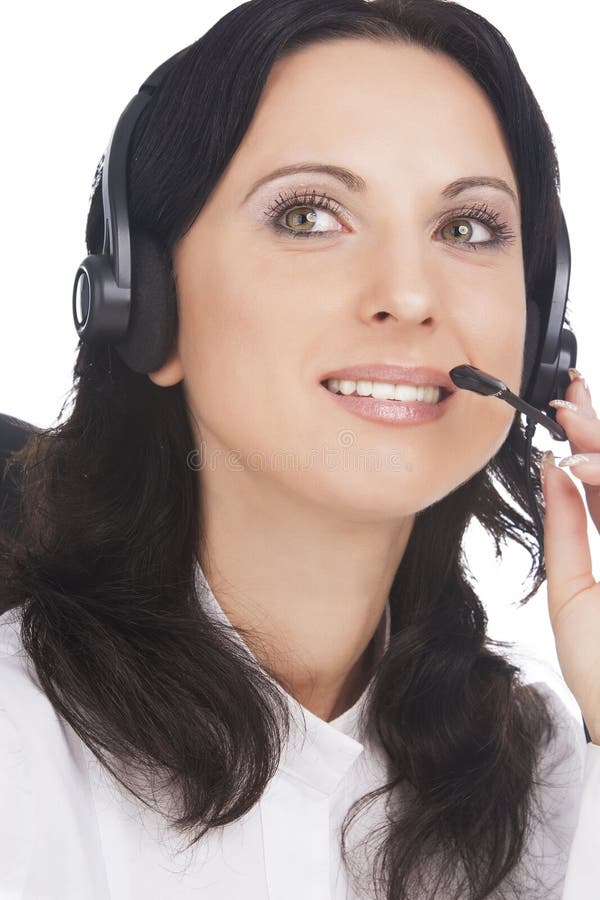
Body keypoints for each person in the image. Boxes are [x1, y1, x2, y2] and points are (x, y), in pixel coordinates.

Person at [1, 0, 599, 897]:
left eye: (467, 227)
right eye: (309, 217)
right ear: (146, 303)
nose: (408, 295)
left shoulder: (557, 769)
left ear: (542, 331)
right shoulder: (20, 743)